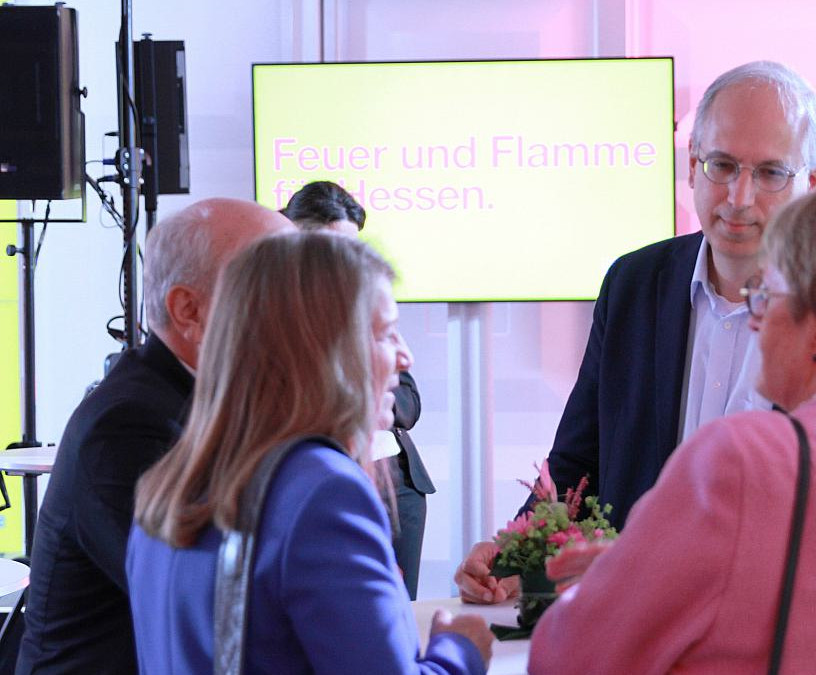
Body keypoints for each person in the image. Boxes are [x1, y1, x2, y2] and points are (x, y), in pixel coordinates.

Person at [527, 183, 816, 674]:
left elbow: (571, 658)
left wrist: (608, 592)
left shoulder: (748, 459)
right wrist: (637, 578)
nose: (755, 319)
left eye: (766, 293)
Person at [455, 60, 816, 604]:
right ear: (692, 165)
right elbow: (579, 464)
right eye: (721, 165)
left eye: (771, 173)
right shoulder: (634, 284)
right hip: (641, 620)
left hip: (776, 623)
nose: (739, 197)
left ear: (814, 182)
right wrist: (512, 556)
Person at [126, 232, 492, 674]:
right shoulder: (325, 492)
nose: (405, 357)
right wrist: (459, 652)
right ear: (322, 348)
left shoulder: (172, 479)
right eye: (385, 333)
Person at [17, 199, 293, 675]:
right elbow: (209, 609)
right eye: (274, 285)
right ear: (188, 309)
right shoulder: (128, 426)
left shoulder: (203, 398)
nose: (302, 308)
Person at [282, 179, 435, 600]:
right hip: (336, 476)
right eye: (332, 249)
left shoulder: (369, 302)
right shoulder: (272, 321)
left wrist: (369, 401)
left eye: (353, 249)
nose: (344, 263)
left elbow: (410, 402)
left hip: (397, 483)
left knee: (402, 608)